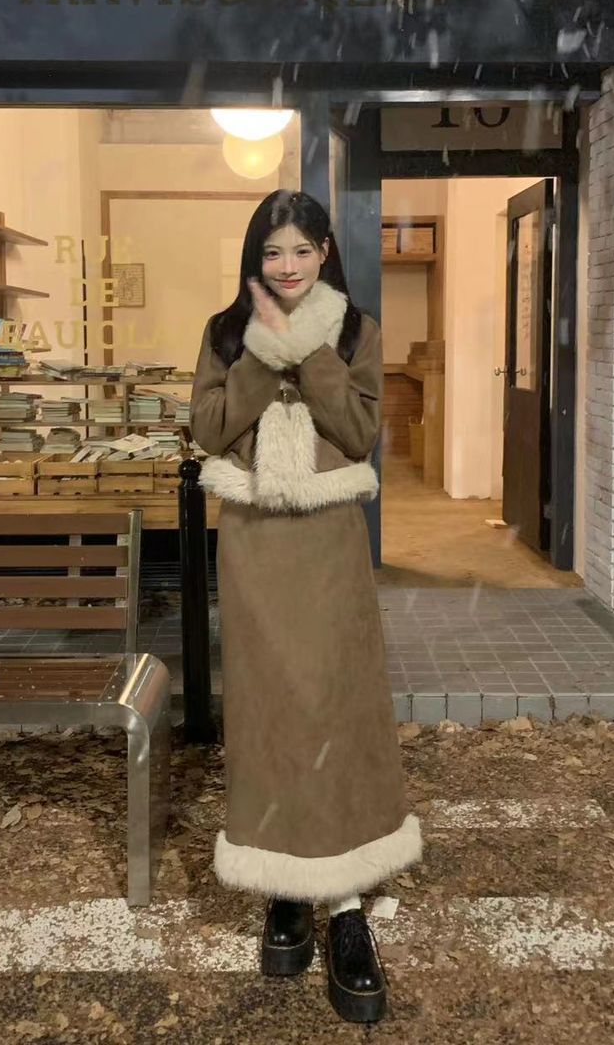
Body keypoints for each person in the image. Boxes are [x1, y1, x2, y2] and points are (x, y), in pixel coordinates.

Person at [189, 189, 422, 1024]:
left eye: (300, 249)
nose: (286, 266)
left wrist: (312, 350)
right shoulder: (225, 332)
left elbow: (359, 434)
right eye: (271, 251)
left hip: (328, 546)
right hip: (254, 546)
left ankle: (347, 905)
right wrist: (262, 354)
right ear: (256, 258)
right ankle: (284, 889)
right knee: (270, 711)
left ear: (324, 251)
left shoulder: (356, 332)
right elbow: (210, 428)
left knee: (335, 708)